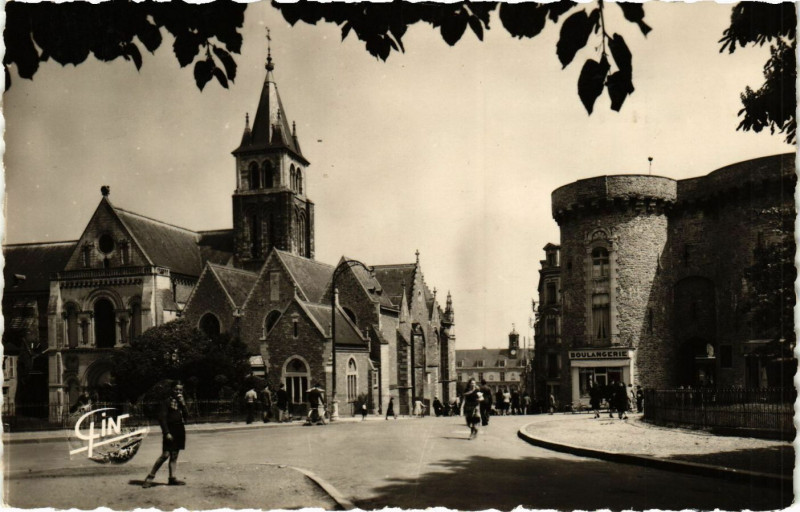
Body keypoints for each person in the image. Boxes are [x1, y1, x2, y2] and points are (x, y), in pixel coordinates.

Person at [143, 381, 189, 488]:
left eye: (180, 390)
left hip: (179, 429)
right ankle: (150, 476)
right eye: (176, 389)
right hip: (170, 429)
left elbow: (187, 416)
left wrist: (183, 404)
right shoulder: (166, 402)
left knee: (174, 455)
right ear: (172, 390)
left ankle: (172, 478)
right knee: (165, 455)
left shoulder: (181, 402)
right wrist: (166, 432)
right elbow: (162, 418)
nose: (178, 392)